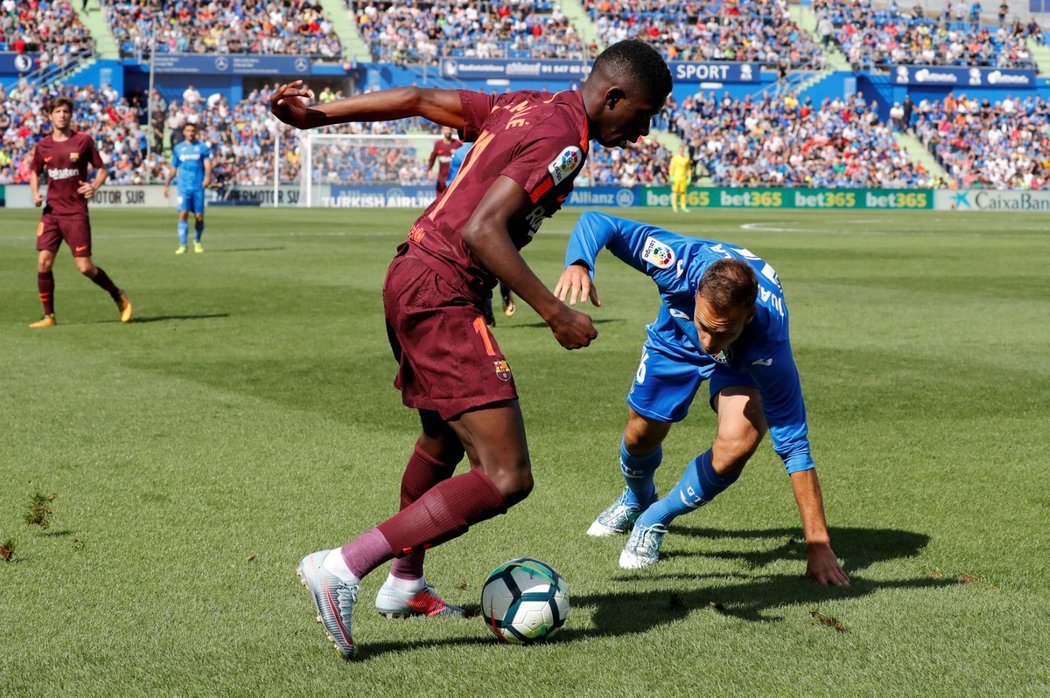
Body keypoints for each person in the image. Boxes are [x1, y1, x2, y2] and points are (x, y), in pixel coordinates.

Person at [270, 39, 672, 659]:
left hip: (415, 273)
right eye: (643, 115)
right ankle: (342, 567)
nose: (643, 131)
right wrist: (554, 311)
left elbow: (419, 97)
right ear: (614, 97)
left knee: (440, 441)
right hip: (444, 289)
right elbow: (481, 229)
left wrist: (320, 115)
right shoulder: (564, 140)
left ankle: (404, 585)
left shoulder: (526, 104)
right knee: (506, 477)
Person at [554, 212, 849, 585]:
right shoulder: (679, 263)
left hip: (739, 361)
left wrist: (819, 544)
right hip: (677, 336)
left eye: (722, 331)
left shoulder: (768, 347)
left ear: (749, 316)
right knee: (641, 433)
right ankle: (635, 498)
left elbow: (794, 445)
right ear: (696, 295)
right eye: (706, 326)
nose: (710, 342)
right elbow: (600, 223)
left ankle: (655, 517)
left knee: (738, 444)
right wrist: (580, 261)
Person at [28, 97, 132, 328]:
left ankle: (117, 295)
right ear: (50, 116)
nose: (62, 115)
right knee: (43, 262)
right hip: (51, 212)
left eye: (66, 111)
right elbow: (35, 171)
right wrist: (35, 193)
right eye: (57, 111)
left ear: (71, 115)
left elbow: (102, 170)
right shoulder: (43, 145)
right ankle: (49, 317)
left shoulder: (83, 141)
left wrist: (93, 186)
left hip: (75, 212)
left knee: (84, 267)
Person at [447, 142, 515, 320]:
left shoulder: (462, 152)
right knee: (498, 258)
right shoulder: (499, 142)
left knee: (479, 263)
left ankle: (490, 306)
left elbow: (452, 184)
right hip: (497, 212)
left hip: (475, 215)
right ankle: (491, 306)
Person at [164, 122, 212, 254]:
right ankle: (183, 245)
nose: (190, 133)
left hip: (198, 186)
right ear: (184, 132)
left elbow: (207, 165)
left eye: (193, 130)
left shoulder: (202, 148)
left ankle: (197, 241)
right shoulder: (178, 148)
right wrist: (167, 184)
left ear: (195, 132)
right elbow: (174, 168)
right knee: (183, 214)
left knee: (199, 217)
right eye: (188, 130)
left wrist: (207, 177)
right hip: (183, 187)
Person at [426, 125, 462, 195]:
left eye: (450, 130)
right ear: (442, 130)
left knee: (453, 199)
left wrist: (457, 153)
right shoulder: (438, 144)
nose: (448, 131)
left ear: (452, 131)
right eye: (446, 129)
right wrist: (429, 169)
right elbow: (432, 158)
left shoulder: (458, 144)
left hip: (454, 178)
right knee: (439, 200)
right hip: (441, 178)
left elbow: (464, 158)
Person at [668, 143, 692, 213]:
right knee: (675, 192)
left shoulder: (686, 159)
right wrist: (671, 176)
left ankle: (683, 206)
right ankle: (674, 207)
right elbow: (672, 168)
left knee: (683, 193)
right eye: (680, 150)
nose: (681, 151)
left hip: (683, 178)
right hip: (676, 178)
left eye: (682, 150)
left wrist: (689, 177)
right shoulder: (674, 158)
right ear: (678, 150)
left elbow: (688, 169)